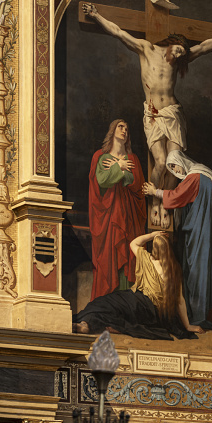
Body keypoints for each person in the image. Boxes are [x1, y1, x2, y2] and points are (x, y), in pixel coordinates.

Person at [83, 3, 212, 186]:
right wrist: (96, 15)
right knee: (161, 163)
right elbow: (118, 32)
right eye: (178, 50)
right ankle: (154, 200)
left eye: (182, 54)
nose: (178, 55)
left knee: (174, 163)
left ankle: (167, 203)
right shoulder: (147, 49)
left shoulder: (180, 60)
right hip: (154, 114)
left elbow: (203, 48)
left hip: (173, 113)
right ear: (171, 42)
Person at [143, 150, 212, 333]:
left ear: (182, 161)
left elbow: (177, 196)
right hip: (204, 233)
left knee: (198, 273)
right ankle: (207, 313)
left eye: (175, 166)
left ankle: (200, 315)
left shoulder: (195, 176)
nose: (175, 171)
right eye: (171, 168)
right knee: (204, 272)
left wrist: (154, 191)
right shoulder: (203, 175)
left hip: (201, 235)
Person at [73, 231, 203, 339]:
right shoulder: (174, 270)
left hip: (139, 303)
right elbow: (180, 301)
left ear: (155, 248)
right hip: (149, 310)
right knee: (111, 307)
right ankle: (86, 324)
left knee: (105, 304)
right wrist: (187, 326)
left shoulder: (147, 259)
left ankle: (86, 324)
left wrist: (152, 234)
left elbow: (134, 243)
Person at [88, 119, 147, 299]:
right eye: (121, 127)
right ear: (112, 130)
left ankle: (125, 308)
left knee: (128, 260)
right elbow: (102, 181)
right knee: (110, 260)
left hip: (128, 217)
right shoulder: (101, 156)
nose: (124, 131)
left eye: (127, 129)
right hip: (109, 219)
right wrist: (120, 167)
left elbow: (135, 183)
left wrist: (118, 170)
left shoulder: (133, 159)